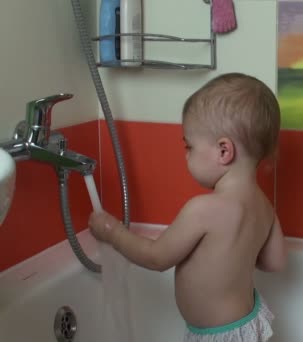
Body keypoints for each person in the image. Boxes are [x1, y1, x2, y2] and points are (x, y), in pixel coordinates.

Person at [88, 72, 287, 342]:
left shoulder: (203, 209)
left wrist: (112, 232)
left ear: (223, 151)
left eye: (189, 146)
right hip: (248, 326)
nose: (186, 154)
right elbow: (275, 262)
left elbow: (157, 257)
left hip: (217, 336)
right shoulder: (264, 206)